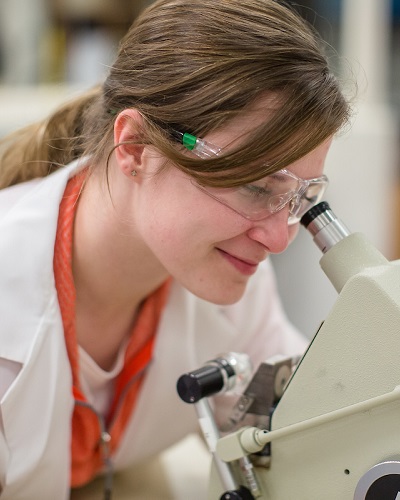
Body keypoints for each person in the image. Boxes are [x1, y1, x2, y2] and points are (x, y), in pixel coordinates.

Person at [0, 0, 351, 498]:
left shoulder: (229, 281)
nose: (277, 239)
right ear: (136, 149)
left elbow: (313, 429)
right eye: (256, 187)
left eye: (300, 198)